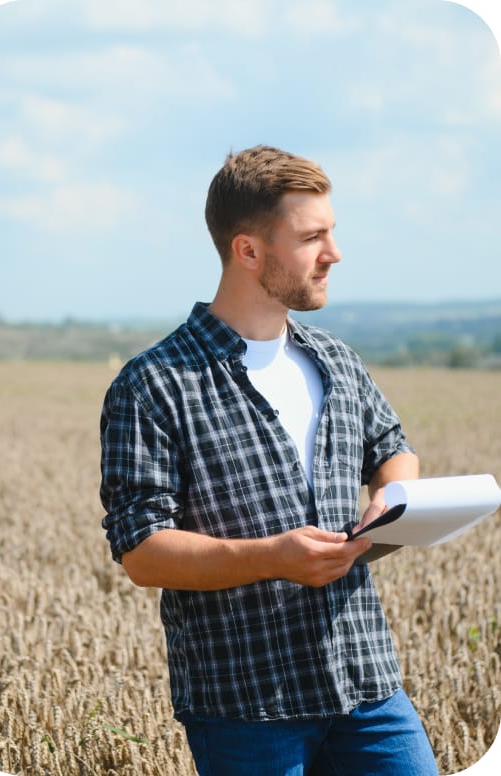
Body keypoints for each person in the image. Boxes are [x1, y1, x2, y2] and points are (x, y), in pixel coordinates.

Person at [100, 145, 438, 775]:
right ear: (248, 250)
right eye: (312, 237)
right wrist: (271, 558)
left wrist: (390, 506)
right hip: (245, 706)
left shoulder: (336, 360)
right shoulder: (153, 385)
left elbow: (393, 450)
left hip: (367, 684)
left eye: (331, 233)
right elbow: (142, 552)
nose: (333, 254)